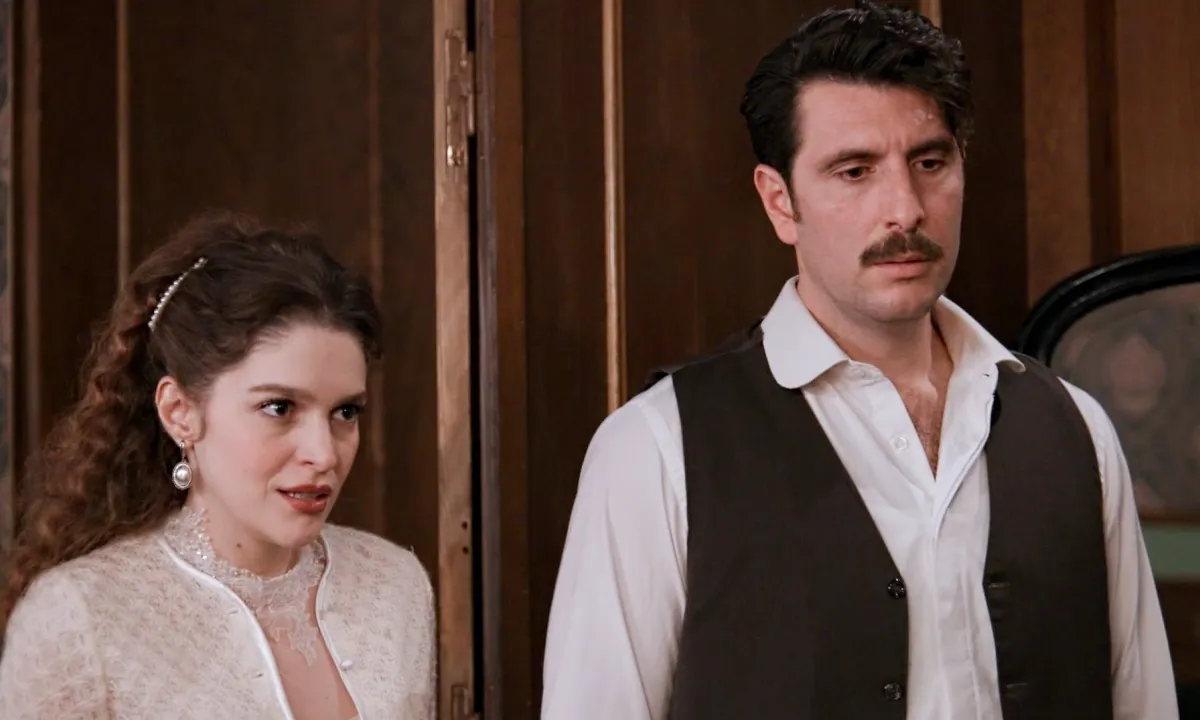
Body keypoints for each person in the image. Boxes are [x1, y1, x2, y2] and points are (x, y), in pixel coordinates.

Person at [541, 3, 1176, 719]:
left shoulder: (1077, 431)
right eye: (854, 171)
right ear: (780, 203)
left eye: (930, 162)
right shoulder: (655, 450)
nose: (905, 209)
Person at [0, 212, 435, 719]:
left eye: (345, 412)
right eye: (279, 407)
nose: (324, 453)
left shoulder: (395, 585)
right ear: (179, 412)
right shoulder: (78, 618)